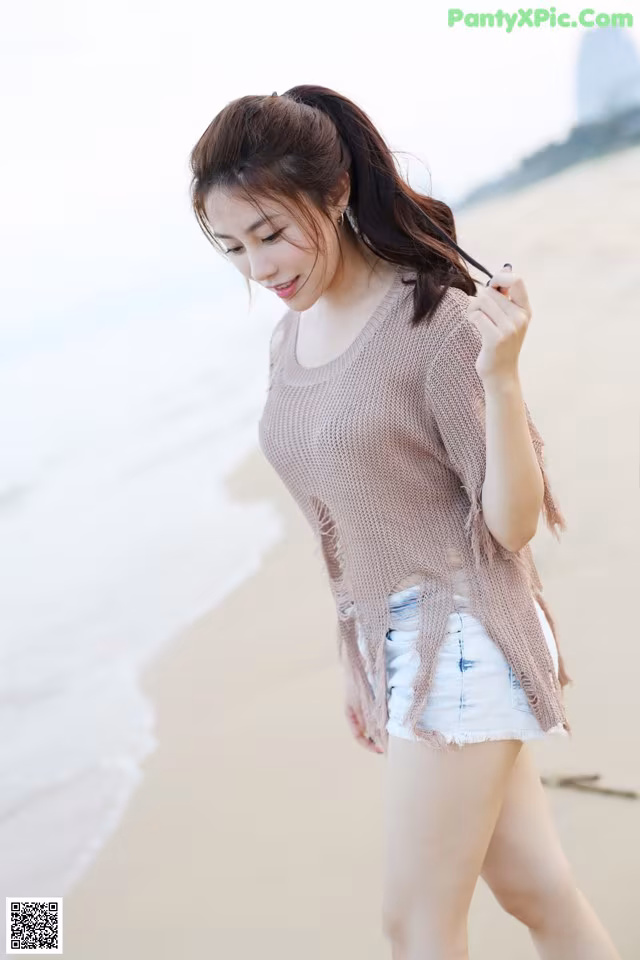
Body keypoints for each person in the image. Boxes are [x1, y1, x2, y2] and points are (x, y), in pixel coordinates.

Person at [188, 85, 621, 960]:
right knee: (538, 890)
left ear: (336, 191)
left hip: (468, 634)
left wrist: (501, 378)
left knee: (416, 925)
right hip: (403, 643)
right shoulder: (291, 335)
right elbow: (345, 520)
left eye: (271, 234)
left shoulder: (433, 319)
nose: (259, 269)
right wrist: (359, 654)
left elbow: (510, 527)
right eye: (233, 248)